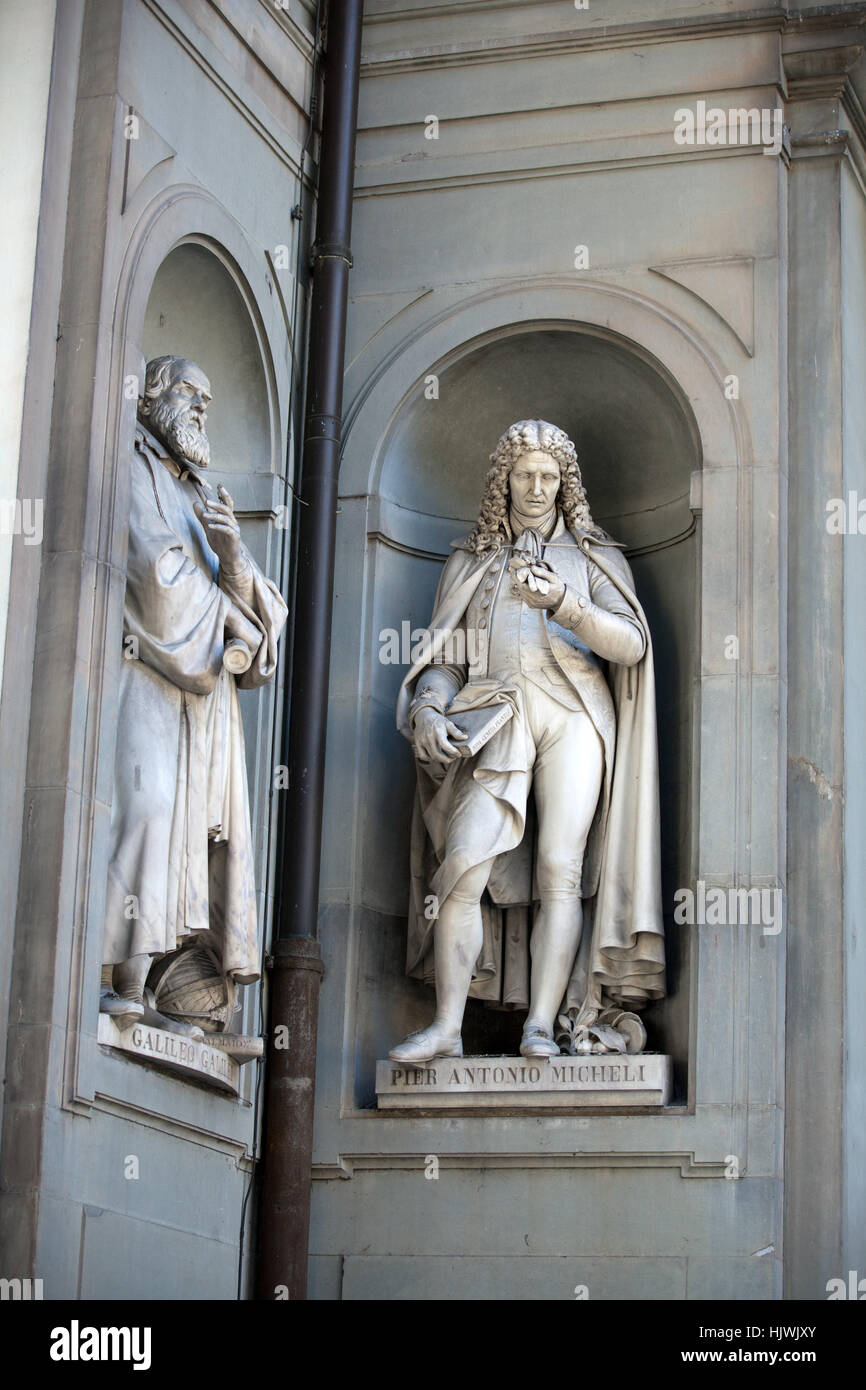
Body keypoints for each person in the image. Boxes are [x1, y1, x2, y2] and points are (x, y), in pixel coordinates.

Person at [391, 419, 665, 1062]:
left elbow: (632, 643)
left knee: (560, 872)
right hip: (496, 715)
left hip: (575, 716)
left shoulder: (595, 557)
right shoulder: (472, 559)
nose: (538, 488)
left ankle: (541, 1023)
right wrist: (429, 707)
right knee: (463, 865)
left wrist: (565, 602)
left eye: (549, 476)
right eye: (525, 475)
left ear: (565, 482)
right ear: (503, 481)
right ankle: (448, 1027)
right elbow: (445, 656)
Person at [99, 355, 287, 1034]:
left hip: (206, 706)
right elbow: (156, 577)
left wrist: (233, 554)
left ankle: (170, 985)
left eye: (208, 400)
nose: (202, 409)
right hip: (143, 672)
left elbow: (265, 609)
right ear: (152, 394)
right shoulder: (131, 463)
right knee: (147, 811)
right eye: (189, 393)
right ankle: (120, 974)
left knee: (200, 834)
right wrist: (229, 616)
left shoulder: (199, 490)